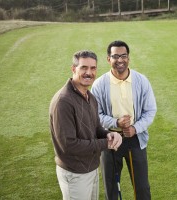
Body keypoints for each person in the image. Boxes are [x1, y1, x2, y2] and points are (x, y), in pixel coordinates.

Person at [49, 50, 122, 200]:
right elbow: (69, 145)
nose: (89, 72)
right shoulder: (63, 101)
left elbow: (95, 128)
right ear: (73, 69)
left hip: (91, 168)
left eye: (93, 68)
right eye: (84, 67)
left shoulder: (90, 97)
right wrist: (106, 143)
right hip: (74, 173)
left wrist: (109, 134)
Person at [91, 40, 157, 200]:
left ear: (128, 58)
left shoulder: (141, 81)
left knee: (142, 188)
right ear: (108, 59)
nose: (120, 60)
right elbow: (95, 115)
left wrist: (135, 128)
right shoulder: (99, 85)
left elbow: (150, 110)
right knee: (112, 188)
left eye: (124, 56)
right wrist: (116, 123)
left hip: (135, 139)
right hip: (110, 140)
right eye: (115, 56)